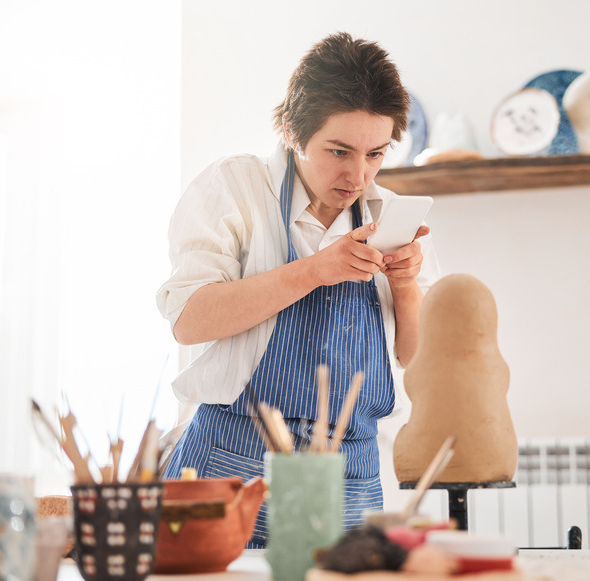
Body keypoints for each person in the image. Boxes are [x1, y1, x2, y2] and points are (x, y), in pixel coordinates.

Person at [155, 32, 440, 547]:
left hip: (349, 478)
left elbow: (418, 360)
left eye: (375, 153)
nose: (358, 175)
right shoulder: (234, 188)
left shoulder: (391, 217)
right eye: (339, 151)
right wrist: (314, 270)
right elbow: (189, 320)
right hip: (229, 468)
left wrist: (406, 287)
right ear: (291, 129)